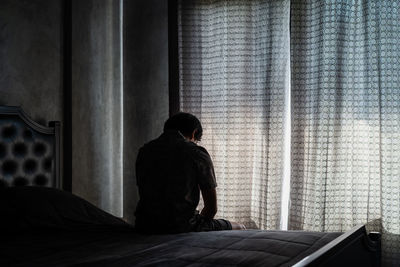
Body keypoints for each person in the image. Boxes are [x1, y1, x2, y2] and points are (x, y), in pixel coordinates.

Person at [134, 112, 245, 234]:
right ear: (194, 133)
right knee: (240, 227)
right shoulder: (196, 152)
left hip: (145, 225)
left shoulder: (145, 151)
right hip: (181, 226)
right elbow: (211, 209)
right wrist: (200, 226)